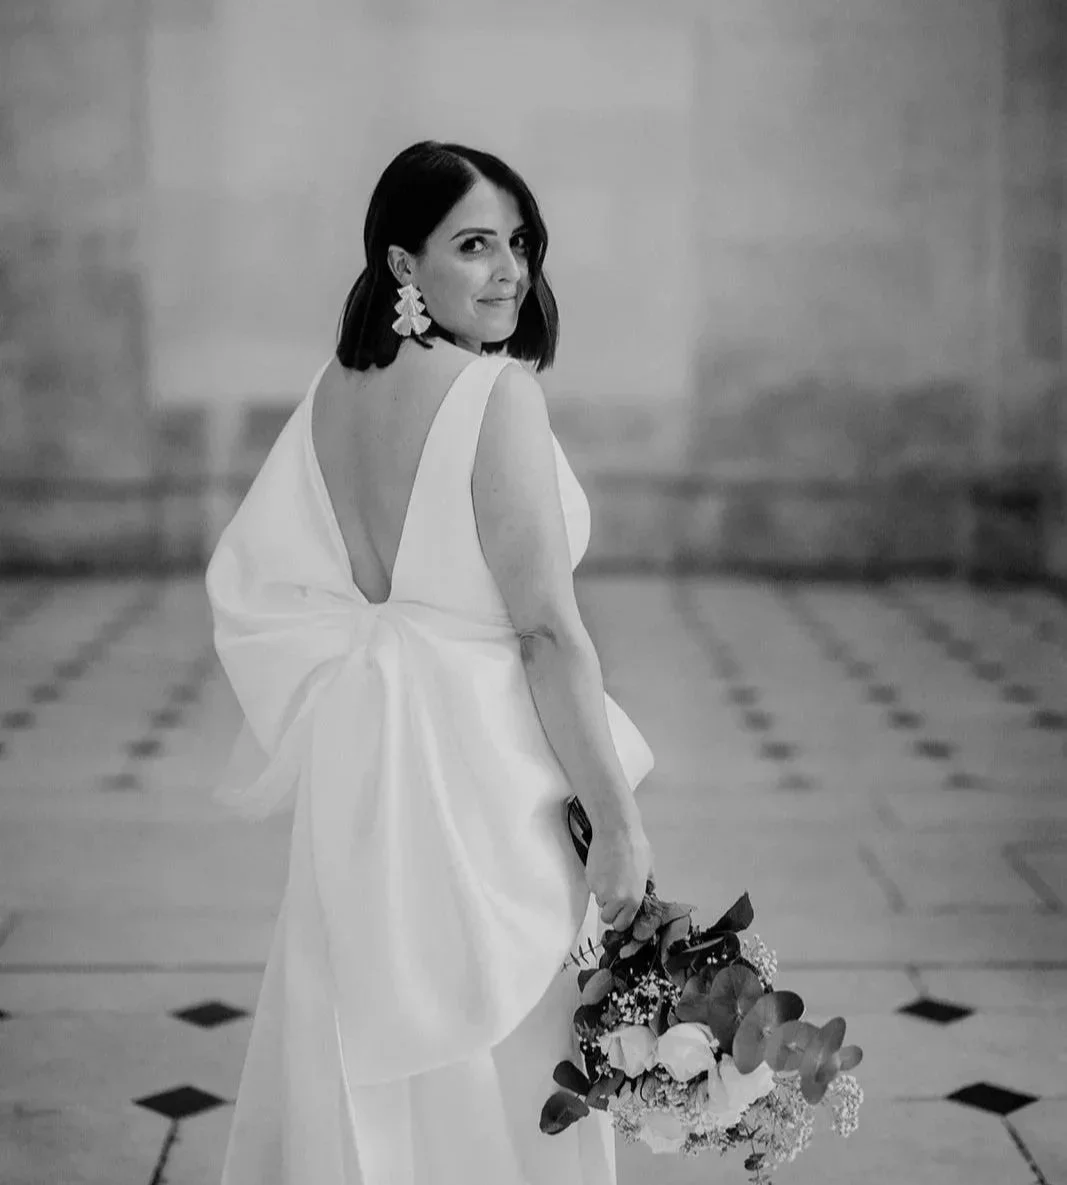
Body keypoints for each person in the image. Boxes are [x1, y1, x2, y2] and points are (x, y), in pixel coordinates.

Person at [205, 139, 656, 1185]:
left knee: (359, 1026)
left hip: (366, 773)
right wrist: (618, 823)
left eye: (519, 243)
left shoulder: (334, 389)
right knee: (507, 1044)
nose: (509, 271)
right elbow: (545, 630)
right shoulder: (495, 395)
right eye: (473, 244)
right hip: (481, 772)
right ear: (403, 264)